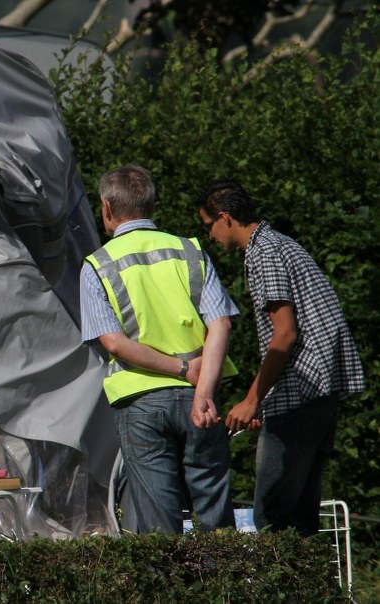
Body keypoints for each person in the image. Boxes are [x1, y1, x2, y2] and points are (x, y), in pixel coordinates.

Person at [196, 179, 365, 536]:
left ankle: (283, 576)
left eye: (208, 225)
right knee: (302, 517)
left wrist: (252, 400)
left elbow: (285, 334)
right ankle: (312, 574)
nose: (209, 235)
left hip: (301, 395)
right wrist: (267, 400)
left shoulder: (264, 253)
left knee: (273, 518)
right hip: (317, 390)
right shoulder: (281, 244)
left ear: (224, 217)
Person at [79, 164, 239, 533]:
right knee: (215, 519)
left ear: (106, 207)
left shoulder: (97, 266)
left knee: (160, 526)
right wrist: (202, 389)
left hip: (140, 402)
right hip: (200, 396)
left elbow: (114, 343)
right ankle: (222, 573)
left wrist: (180, 370)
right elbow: (221, 323)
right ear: (152, 206)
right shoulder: (190, 250)